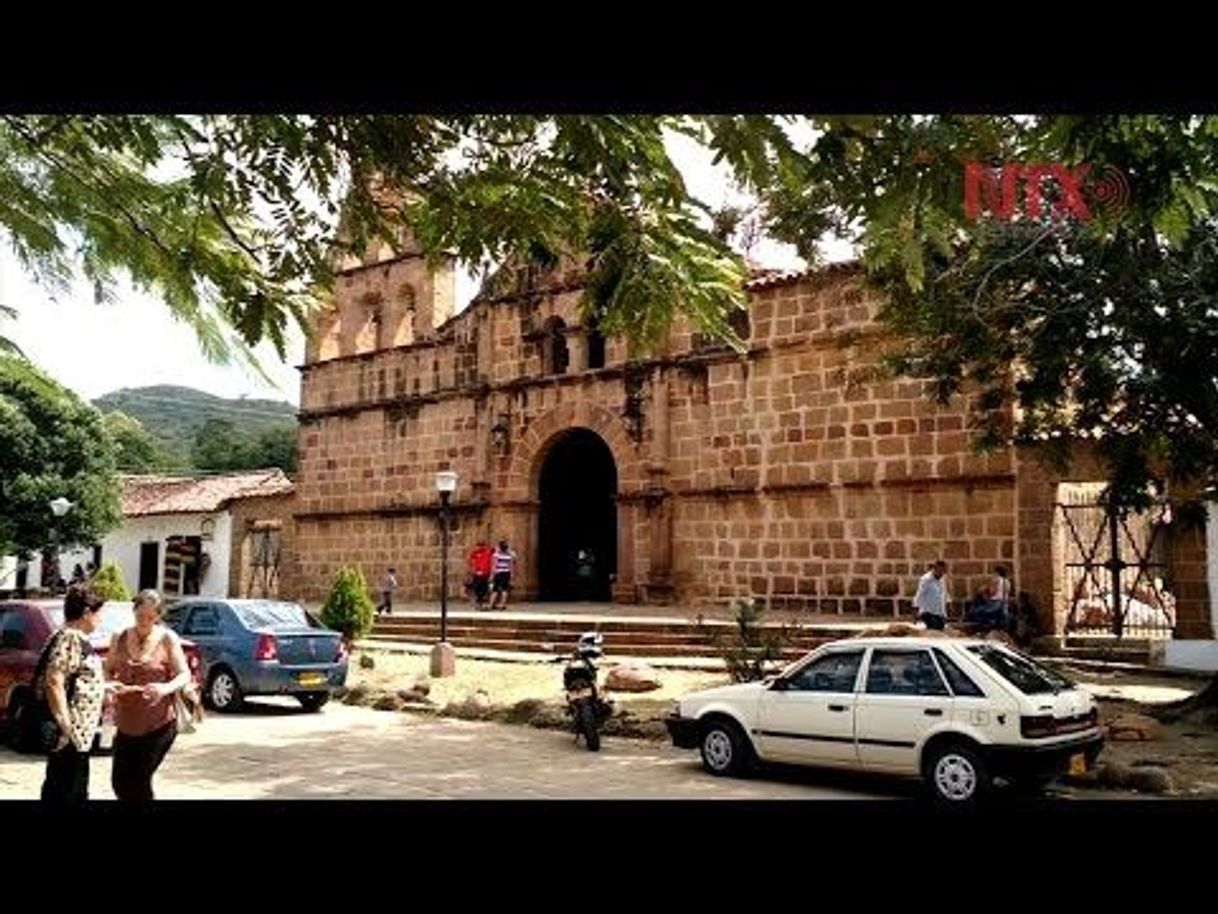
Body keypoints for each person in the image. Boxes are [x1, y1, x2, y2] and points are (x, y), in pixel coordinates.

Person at [104, 589, 193, 802]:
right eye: (140, 615)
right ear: (133, 612)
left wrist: (164, 688)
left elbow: (184, 674)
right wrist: (109, 685)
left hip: (158, 725)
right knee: (119, 783)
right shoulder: (120, 637)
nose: (144, 621)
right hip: (126, 724)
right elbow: (108, 669)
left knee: (139, 782)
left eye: (150, 617)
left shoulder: (167, 638)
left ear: (159, 616)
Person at [38, 585, 107, 805]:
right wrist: (65, 726)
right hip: (71, 735)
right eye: (99, 614)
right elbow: (54, 681)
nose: (100, 620)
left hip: (77, 735)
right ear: (87, 613)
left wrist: (105, 686)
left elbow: (75, 677)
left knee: (66, 790)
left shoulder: (69, 637)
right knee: (67, 793)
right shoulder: (70, 638)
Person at [913, 560, 949, 631]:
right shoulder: (926, 579)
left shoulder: (942, 579)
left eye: (943, 571)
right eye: (940, 571)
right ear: (935, 569)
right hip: (928, 612)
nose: (941, 573)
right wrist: (915, 611)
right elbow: (919, 595)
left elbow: (944, 594)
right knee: (934, 627)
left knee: (940, 628)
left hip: (938, 612)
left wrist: (945, 613)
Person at [490, 540, 518, 610]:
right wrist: (512, 576)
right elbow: (511, 566)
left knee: (495, 589)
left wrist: (492, 575)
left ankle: (491, 604)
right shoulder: (509, 556)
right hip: (506, 573)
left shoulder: (496, 555)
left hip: (498, 573)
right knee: (505, 589)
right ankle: (502, 604)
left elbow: (494, 565)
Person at [467, 541, 494, 611]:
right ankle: (478, 605)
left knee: (484, 590)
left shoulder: (488, 552)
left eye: (482, 545)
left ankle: (481, 605)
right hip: (477, 574)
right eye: (479, 545)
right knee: (477, 590)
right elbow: (471, 563)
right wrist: (472, 572)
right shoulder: (474, 553)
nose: (480, 547)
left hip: (485, 574)